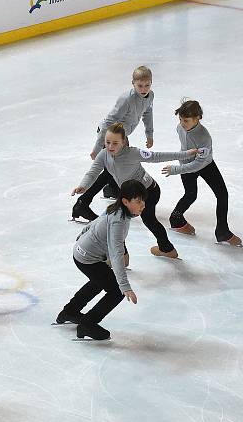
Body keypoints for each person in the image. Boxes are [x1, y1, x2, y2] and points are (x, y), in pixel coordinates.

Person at [72, 122, 201, 259]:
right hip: (130, 195)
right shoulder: (104, 154)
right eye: (107, 142)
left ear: (123, 142)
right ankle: (131, 255)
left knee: (143, 220)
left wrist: (185, 154)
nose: (110, 146)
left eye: (115, 143)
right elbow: (93, 172)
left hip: (148, 192)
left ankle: (162, 250)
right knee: (115, 219)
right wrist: (83, 186)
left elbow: (157, 156)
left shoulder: (132, 153)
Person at [57, 181, 147, 340]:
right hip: (87, 258)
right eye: (138, 201)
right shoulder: (119, 221)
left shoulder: (115, 208)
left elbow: (95, 223)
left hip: (82, 252)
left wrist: (83, 235)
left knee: (99, 281)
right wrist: (125, 286)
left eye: (143, 200)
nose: (143, 205)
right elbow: (117, 254)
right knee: (116, 291)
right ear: (126, 201)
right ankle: (88, 324)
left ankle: (70, 311)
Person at [73, 66, 155, 220]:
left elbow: (148, 112)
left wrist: (149, 134)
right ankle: (82, 203)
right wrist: (97, 147)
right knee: (112, 168)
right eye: (140, 85)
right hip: (110, 135)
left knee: (116, 167)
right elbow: (108, 123)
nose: (144, 89)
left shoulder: (150, 96)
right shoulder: (126, 99)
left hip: (122, 137)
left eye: (147, 85)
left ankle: (111, 189)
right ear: (133, 83)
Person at [162, 100, 242, 247]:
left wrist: (176, 169)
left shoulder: (204, 137)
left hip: (205, 165)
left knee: (222, 194)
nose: (182, 123)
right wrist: (181, 164)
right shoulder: (180, 128)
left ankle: (222, 230)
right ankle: (176, 219)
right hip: (187, 163)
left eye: (186, 120)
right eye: (180, 119)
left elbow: (199, 163)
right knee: (191, 194)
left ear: (198, 118)